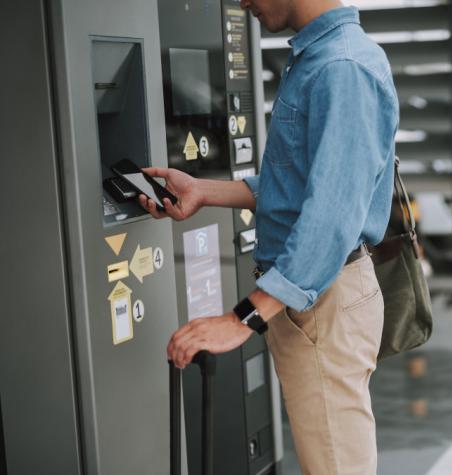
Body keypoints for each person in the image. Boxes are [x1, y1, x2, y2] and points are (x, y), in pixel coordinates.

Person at [140, 1, 399, 473]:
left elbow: (331, 217)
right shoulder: (321, 57)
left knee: (336, 464)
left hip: (322, 295)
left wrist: (241, 319)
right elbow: (299, 187)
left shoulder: (340, 67)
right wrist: (203, 190)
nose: (243, 3)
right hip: (317, 295)